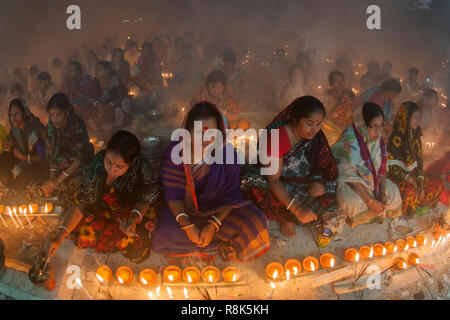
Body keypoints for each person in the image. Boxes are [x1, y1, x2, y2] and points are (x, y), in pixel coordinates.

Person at [152, 101, 270, 263]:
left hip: (218, 210)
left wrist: (213, 224)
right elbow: (172, 196)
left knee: (255, 220)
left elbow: (232, 195)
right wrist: (187, 227)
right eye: (199, 132)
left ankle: (204, 242)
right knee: (164, 233)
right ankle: (213, 245)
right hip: (185, 211)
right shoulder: (176, 153)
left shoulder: (227, 153)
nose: (206, 139)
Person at [46, 131, 160, 263]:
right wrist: (59, 237)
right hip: (102, 208)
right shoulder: (98, 163)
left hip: (132, 209)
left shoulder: (141, 166)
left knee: (137, 244)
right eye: (109, 161)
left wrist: (133, 219)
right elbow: (82, 205)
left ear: (132, 162)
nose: (112, 169)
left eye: (119, 166)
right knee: (76, 231)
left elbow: (147, 196)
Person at [241, 96, 340, 238]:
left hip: (302, 178)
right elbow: (274, 180)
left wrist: (322, 186)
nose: (314, 129)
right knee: (255, 188)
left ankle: (292, 211)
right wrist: (297, 209)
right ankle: (285, 217)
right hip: (276, 181)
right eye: (309, 123)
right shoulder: (276, 139)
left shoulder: (315, 136)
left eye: (318, 124)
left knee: (329, 200)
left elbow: (324, 165)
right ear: (295, 120)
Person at [332, 102, 402, 228]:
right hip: (352, 183)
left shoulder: (378, 142)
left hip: (372, 182)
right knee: (351, 201)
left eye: (380, 126)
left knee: (393, 191)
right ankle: (370, 212)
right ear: (362, 124)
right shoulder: (350, 139)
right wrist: (370, 201)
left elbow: (382, 168)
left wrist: (381, 192)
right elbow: (349, 177)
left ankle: (377, 210)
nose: (378, 131)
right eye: (374, 126)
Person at [387, 102, 443, 216]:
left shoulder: (416, 138)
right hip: (398, 177)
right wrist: (411, 180)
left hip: (414, 175)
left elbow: (420, 163)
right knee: (410, 191)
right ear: (406, 119)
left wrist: (421, 183)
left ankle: (417, 200)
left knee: (437, 184)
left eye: (419, 117)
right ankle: (413, 204)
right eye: (415, 118)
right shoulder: (396, 138)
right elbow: (391, 168)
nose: (418, 121)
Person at [40, 93, 94, 201]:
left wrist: (58, 181)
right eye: (51, 115)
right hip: (62, 166)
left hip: (80, 166)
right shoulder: (51, 126)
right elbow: (52, 154)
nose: (54, 119)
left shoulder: (76, 125)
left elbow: (79, 158)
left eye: (58, 114)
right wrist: (52, 179)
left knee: (73, 187)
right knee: (41, 181)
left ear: (67, 112)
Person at [0, 99, 46, 189]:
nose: (13, 117)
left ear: (24, 113)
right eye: (11, 114)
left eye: (16, 113)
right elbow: (13, 150)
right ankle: (13, 190)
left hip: (38, 165)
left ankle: (21, 193)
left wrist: (23, 157)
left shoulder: (34, 130)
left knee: (24, 173)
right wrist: (8, 148)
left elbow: (42, 157)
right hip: (21, 162)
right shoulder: (15, 130)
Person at [86, 61, 132, 133]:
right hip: (101, 108)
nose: (96, 72)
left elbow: (123, 95)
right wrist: (97, 104)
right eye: (96, 70)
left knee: (125, 101)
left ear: (107, 71)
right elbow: (90, 97)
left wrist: (110, 105)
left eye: (99, 70)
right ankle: (101, 126)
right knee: (87, 108)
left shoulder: (115, 80)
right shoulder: (94, 82)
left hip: (113, 107)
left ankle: (117, 126)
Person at [321, 70, 356, 145]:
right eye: (337, 82)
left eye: (341, 81)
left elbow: (353, 112)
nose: (340, 84)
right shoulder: (327, 94)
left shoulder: (350, 95)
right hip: (330, 129)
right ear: (331, 84)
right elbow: (324, 115)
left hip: (346, 130)